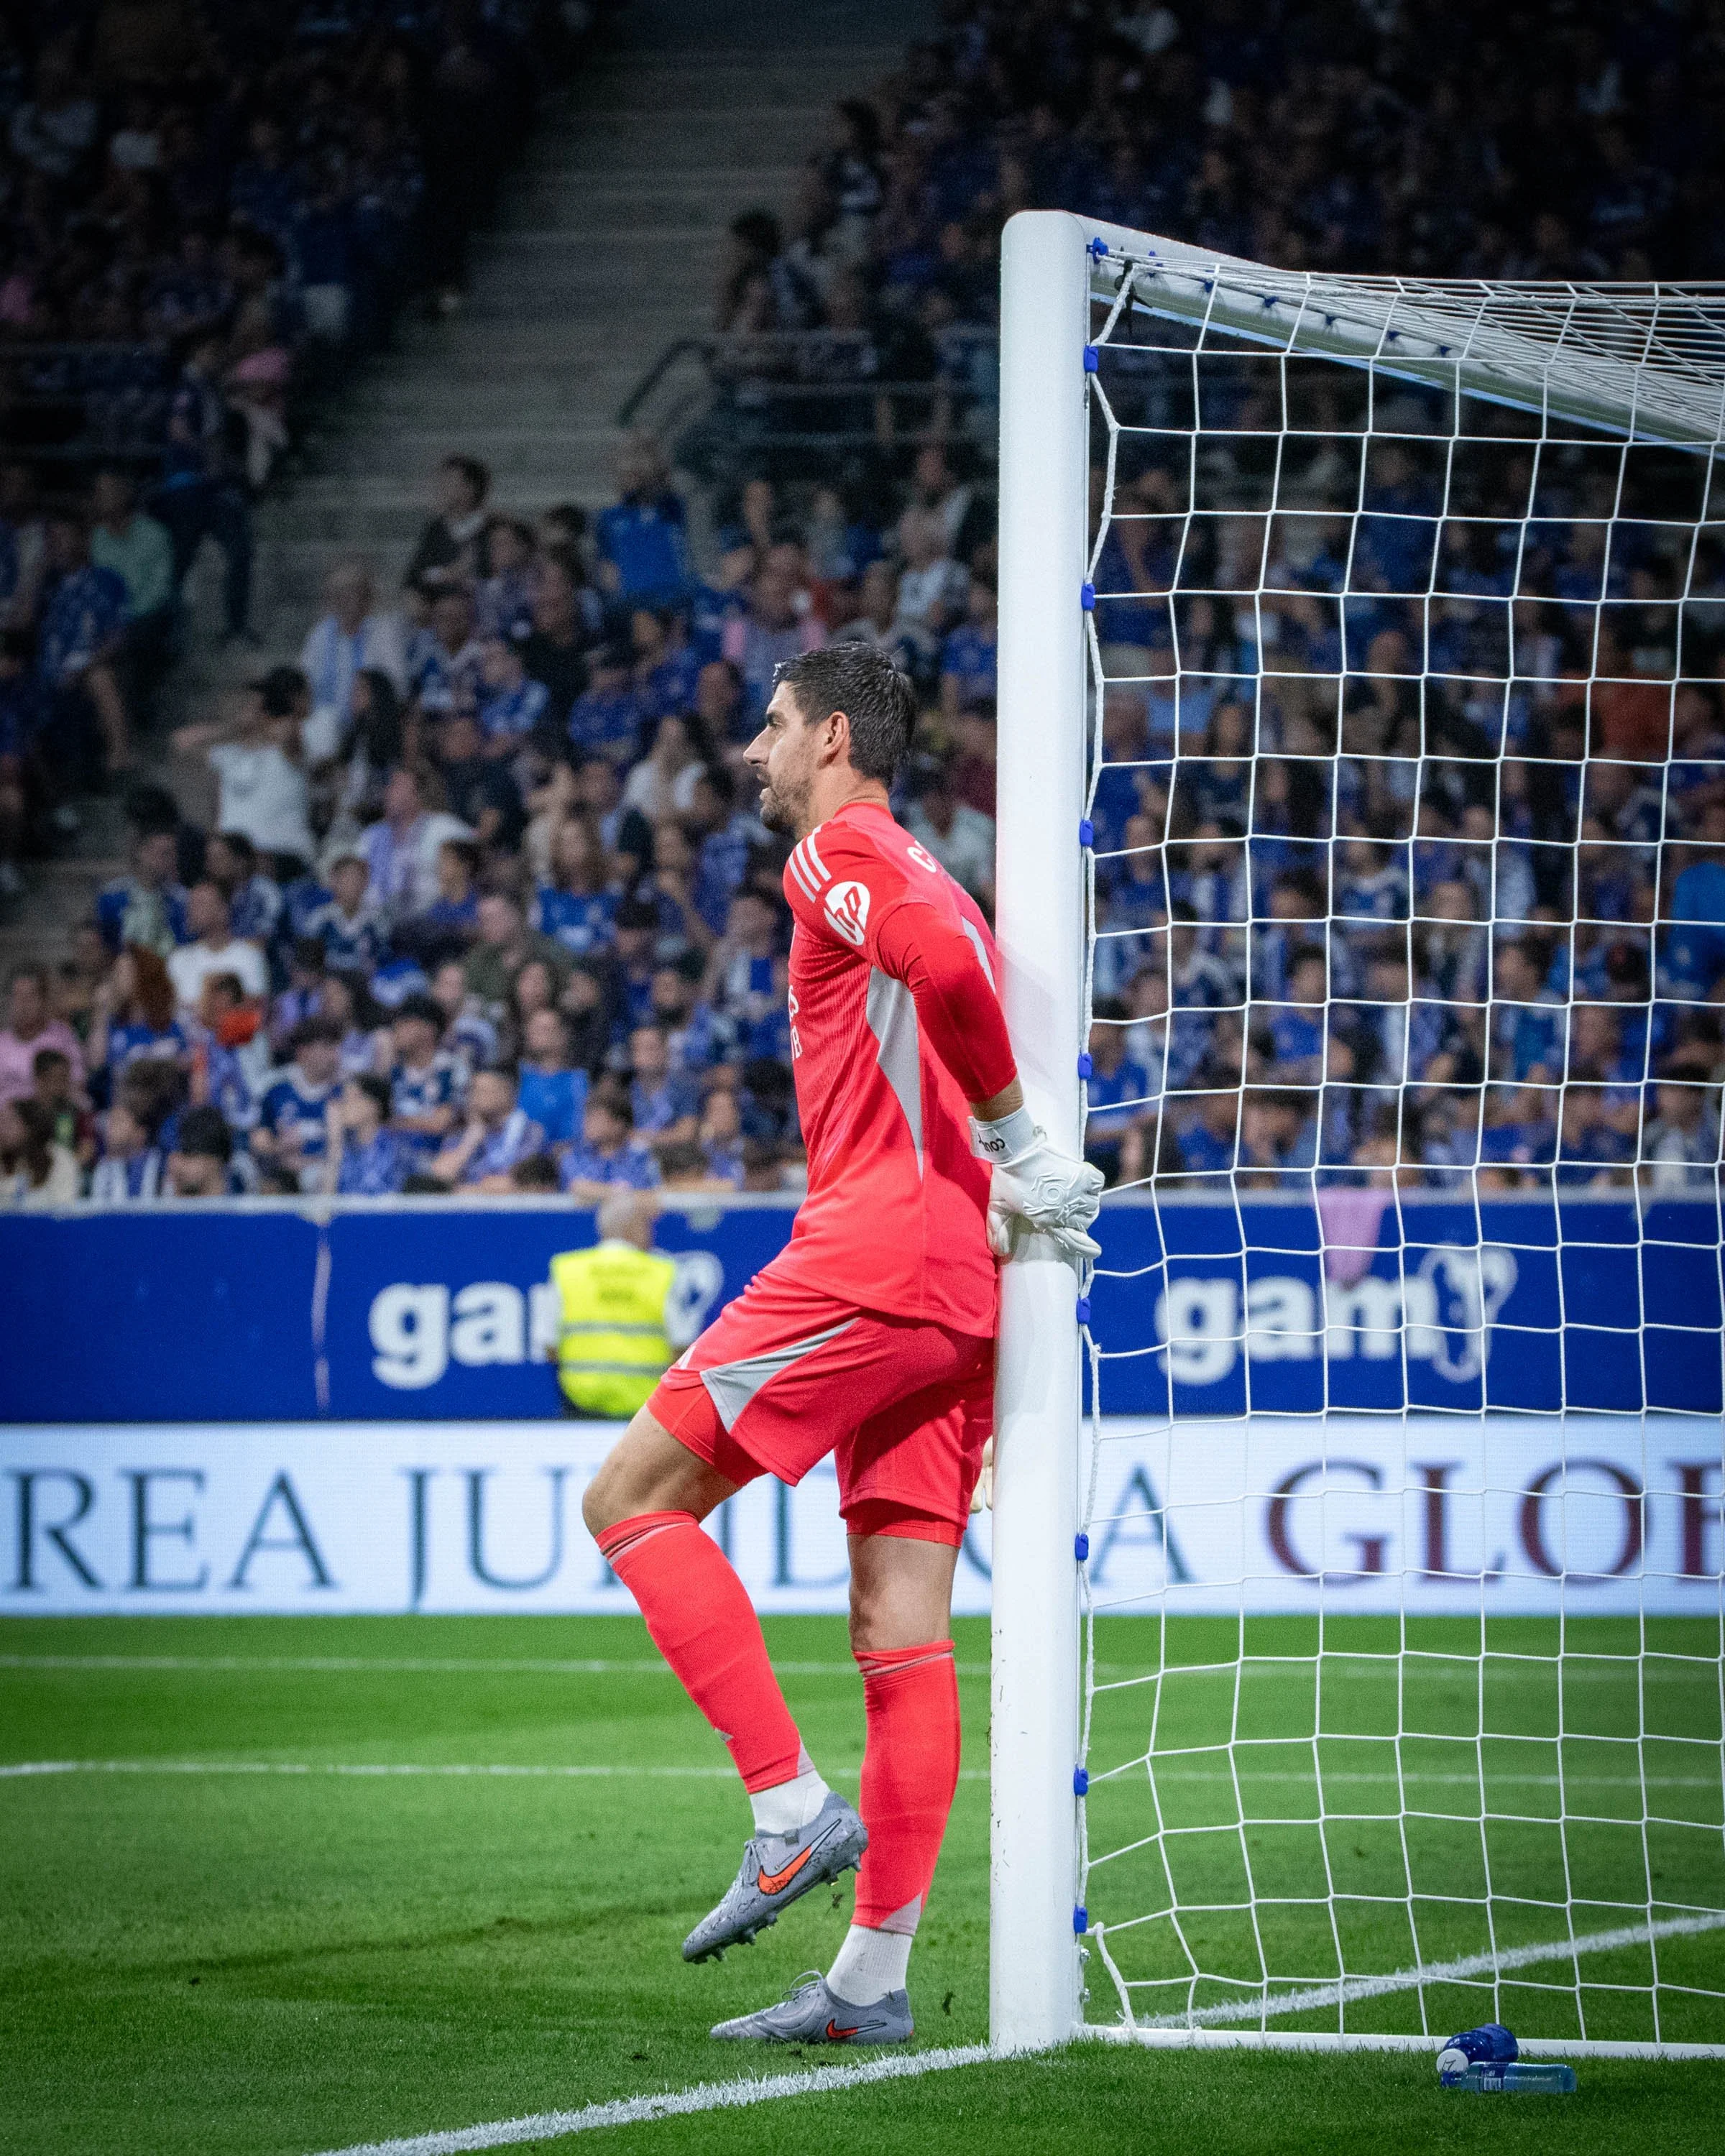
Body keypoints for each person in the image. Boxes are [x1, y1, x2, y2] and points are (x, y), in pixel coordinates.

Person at [579, 642, 1101, 2045]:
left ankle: (789, 1809)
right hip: (963, 1294)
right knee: (901, 1631)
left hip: (876, 1255)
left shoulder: (839, 856)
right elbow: (955, 969)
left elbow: (931, 971)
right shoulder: (938, 869)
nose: (753, 752)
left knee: (627, 1499)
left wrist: (1008, 1137)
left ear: (829, 737)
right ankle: (868, 1989)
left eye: (769, 727)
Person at [548, 1192, 702, 1416]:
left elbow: (550, 1346)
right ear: (633, 1227)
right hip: (648, 1406)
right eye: (647, 1226)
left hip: (580, 1402)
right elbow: (681, 1345)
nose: (652, 1234)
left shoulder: (566, 1269)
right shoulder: (663, 1271)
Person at [166, 883, 268, 1015]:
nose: (191, 910)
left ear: (223, 911)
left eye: (200, 904)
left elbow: (254, 1009)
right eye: (190, 905)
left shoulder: (249, 956)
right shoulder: (178, 959)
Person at [0, 964, 85, 1105]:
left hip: (52, 1117)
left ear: (43, 1000)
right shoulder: (2, 1044)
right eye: (17, 996)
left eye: (30, 996)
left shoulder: (62, 1037)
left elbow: (77, 1084)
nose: (23, 1005)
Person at [0, 1096, 79, 1207]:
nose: (2, 1129)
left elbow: (64, 1208)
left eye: (8, 1123)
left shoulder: (61, 1159)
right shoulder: (4, 1159)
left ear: (29, 1128)